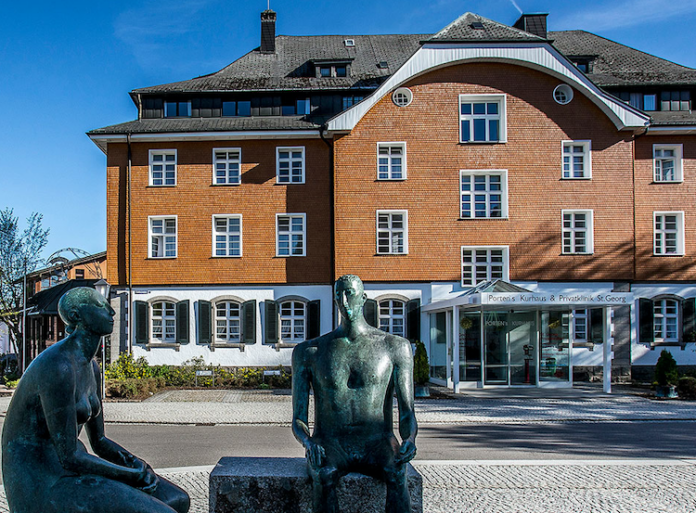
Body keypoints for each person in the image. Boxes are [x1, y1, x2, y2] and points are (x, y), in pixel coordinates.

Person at [1, 287, 190, 513]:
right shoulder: (58, 366)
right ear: (75, 316)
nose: (111, 311)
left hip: (69, 469)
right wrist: (131, 476)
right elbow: (70, 457)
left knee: (178, 499)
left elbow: (99, 441)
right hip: (42, 481)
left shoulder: (91, 366)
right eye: (101, 305)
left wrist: (137, 464)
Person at [292, 275, 418, 513]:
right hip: (331, 442)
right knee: (324, 473)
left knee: (396, 471)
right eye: (339, 295)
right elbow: (298, 418)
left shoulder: (394, 347)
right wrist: (308, 443)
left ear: (363, 297)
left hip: (378, 441)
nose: (344, 301)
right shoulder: (309, 352)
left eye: (349, 293)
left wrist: (409, 439)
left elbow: (406, 411)